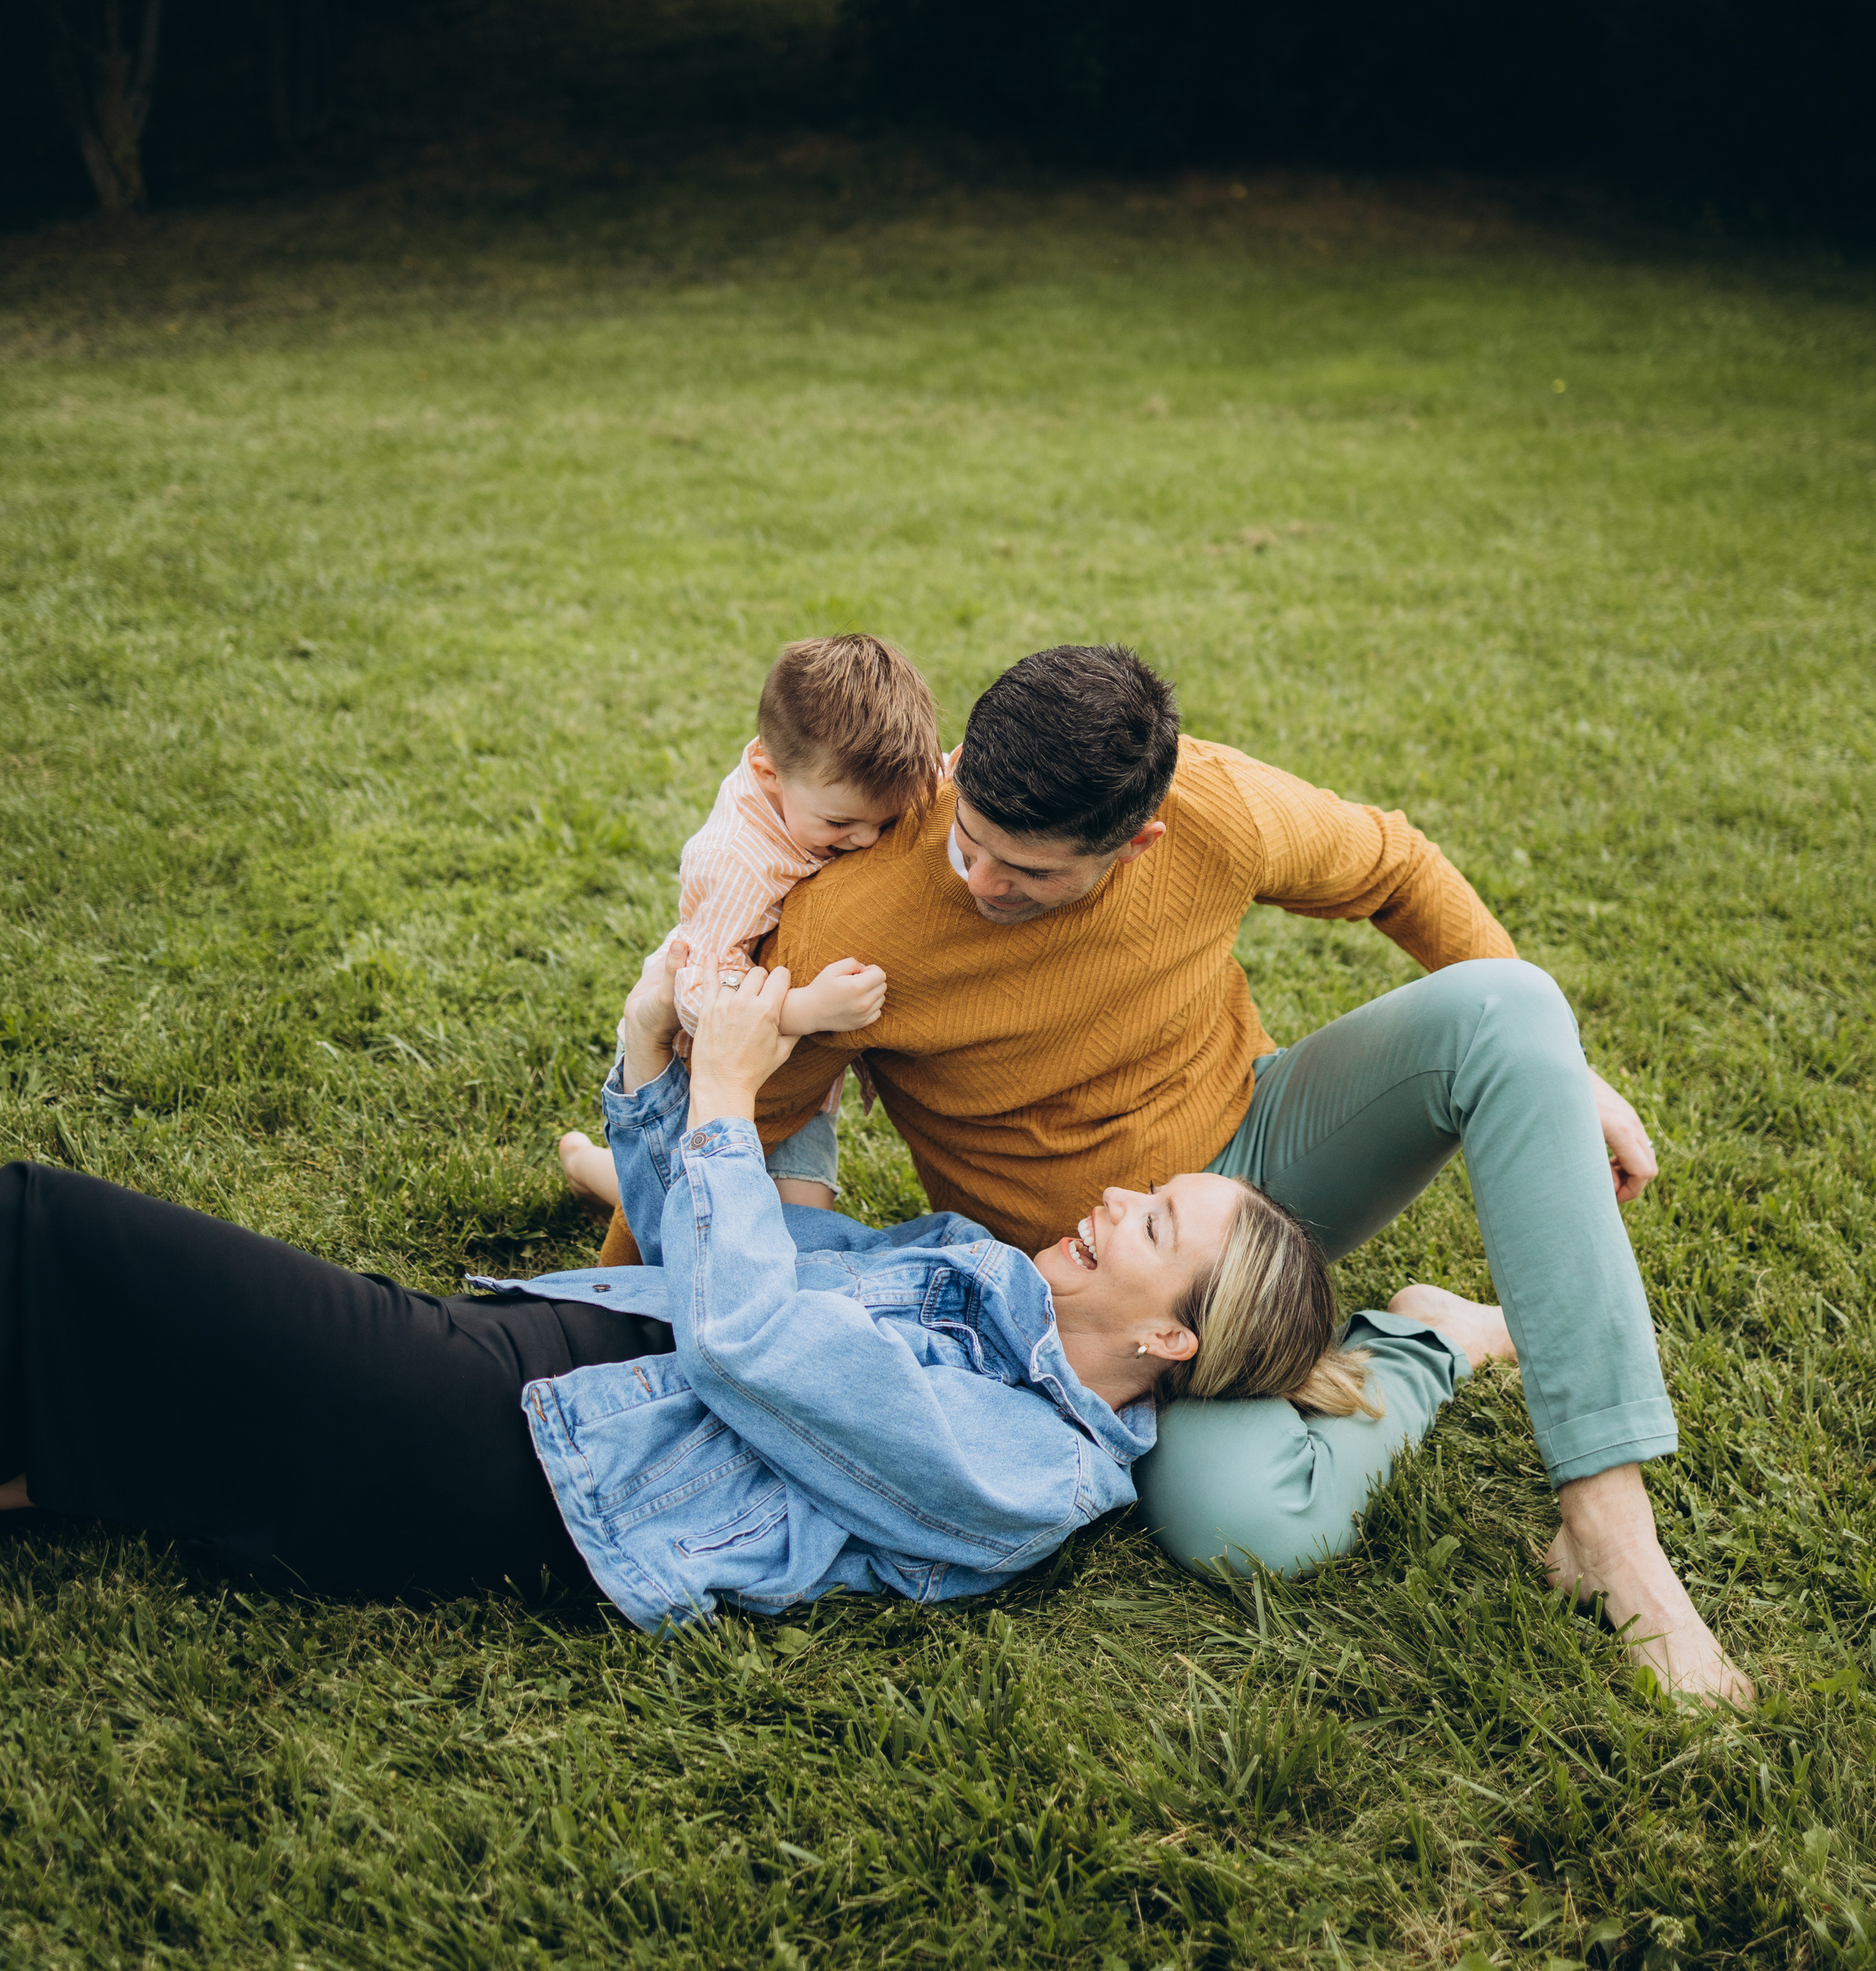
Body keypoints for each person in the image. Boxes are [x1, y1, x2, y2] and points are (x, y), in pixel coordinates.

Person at [593, 644, 1747, 1702]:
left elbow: (1395, 864)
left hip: (1265, 1168)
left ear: (1135, 841)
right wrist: (614, 1295)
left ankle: (1610, 1534)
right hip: (1109, 1299)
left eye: (1027, 872)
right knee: (1245, 1522)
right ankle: (1431, 1335)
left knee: (1513, 1007)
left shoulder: (1211, 810)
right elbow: (729, 1131)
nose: (981, 879)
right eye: (970, 836)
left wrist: (1558, 1070)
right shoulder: (856, 911)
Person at [1, 949, 1455, 1628]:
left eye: (1152, 1221)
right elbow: (720, 1249)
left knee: (54, 1236)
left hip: (503, 1463)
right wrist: (652, 1061)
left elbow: (751, 1340)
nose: (1111, 1200)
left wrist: (724, 1090)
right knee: (103, 1435)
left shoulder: (1029, 1470)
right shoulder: (970, 1277)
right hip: (531, 1355)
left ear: (1165, 1333)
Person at [561, 634, 932, 1224]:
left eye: (882, 824)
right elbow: (698, 992)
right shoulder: (740, 858)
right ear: (767, 769)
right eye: (841, 823)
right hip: (700, 1070)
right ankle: (588, 1166)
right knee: (691, 1220)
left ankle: (601, 1169)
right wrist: (807, 1010)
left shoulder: (826, 785)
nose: (865, 840)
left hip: (795, 1078)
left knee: (799, 1232)